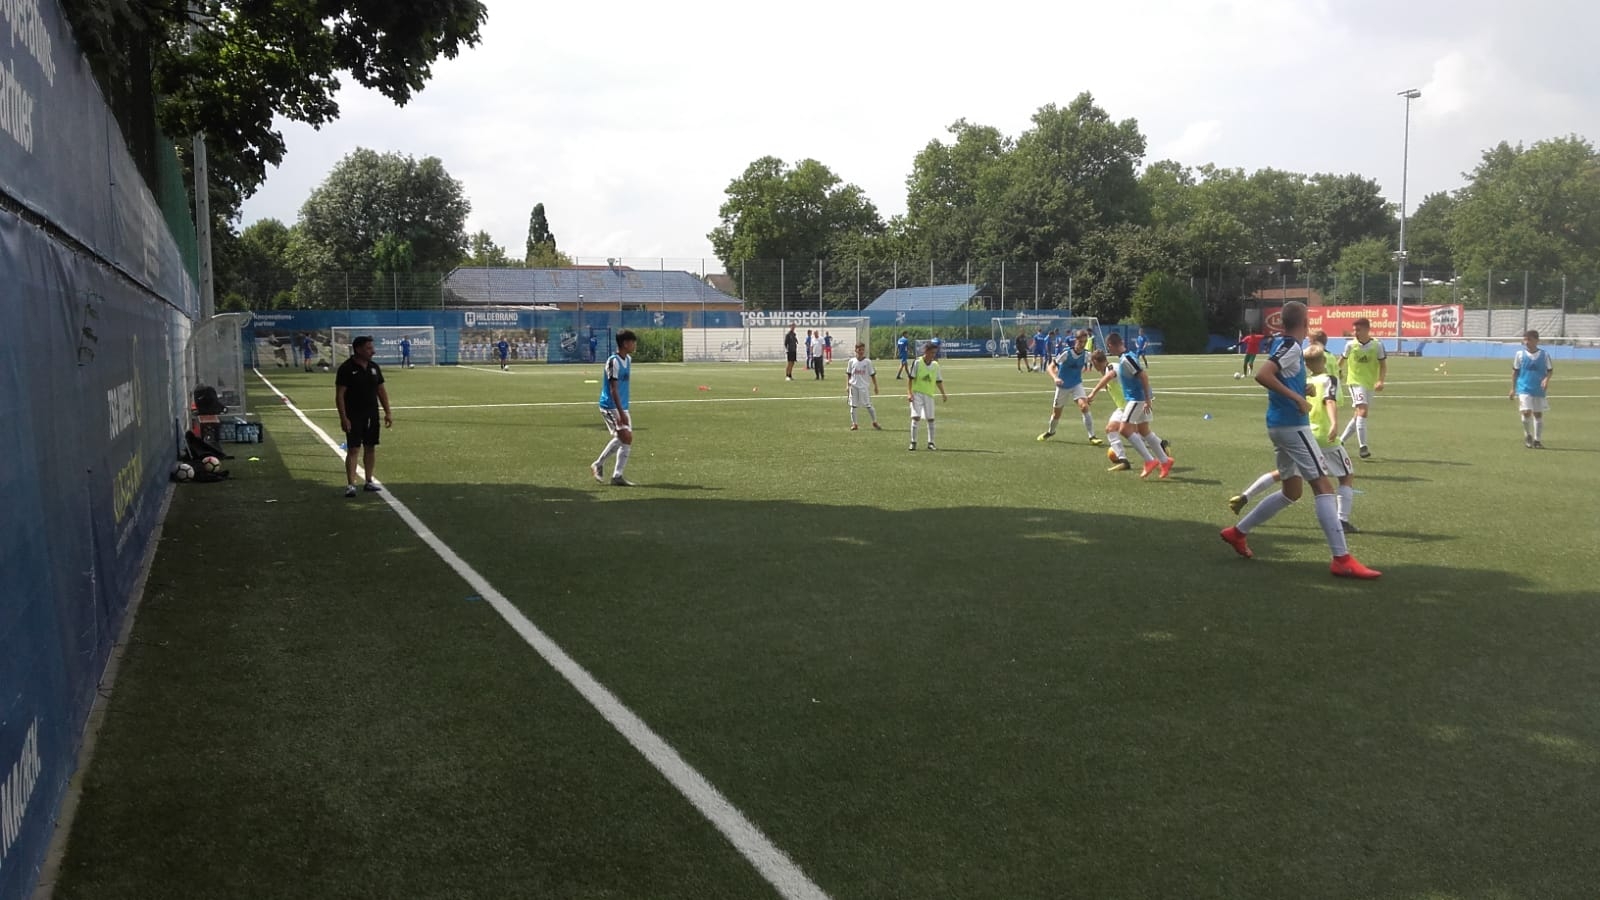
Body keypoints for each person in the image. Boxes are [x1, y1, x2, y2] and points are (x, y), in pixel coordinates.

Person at [1219, 302, 1380, 579]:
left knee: (1291, 492)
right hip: (1292, 425)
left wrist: (1299, 388)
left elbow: (1279, 375)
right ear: (1305, 323)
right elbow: (1263, 374)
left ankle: (1238, 532)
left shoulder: (1282, 343)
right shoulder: (1292, 346)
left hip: (1279, 424)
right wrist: (1296, 398)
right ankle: (1341, 559)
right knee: (1324, 486)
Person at [1087, 332, 1172, 479]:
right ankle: (1165, 460)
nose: (1109, 351)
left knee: (1124, 429)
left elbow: (1143, 375)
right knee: (1144, 431)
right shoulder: (1125, 358)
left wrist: (1147, 399)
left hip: (1136, 399)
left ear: (1111, 345)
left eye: (1109, 347)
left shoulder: (1125, 359)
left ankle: (1149, 460)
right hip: (1137, 399)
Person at [335, 336, 392, 498]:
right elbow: (340, 395)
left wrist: (387, 412)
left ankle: (368, 480)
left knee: (370, 446)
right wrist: (343, 417)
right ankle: (351, 485)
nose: (373, 351)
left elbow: (381, 390)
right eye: (369, 348)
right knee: (353, 448)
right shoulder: (346, 368)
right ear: (358, 349)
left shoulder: (374, 367)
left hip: (372, 414)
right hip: (354, 415)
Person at [590, 330, 639, 486]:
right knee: (625, 436)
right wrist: (620, 413)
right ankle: (600, 465)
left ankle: (616, 475)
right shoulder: (613, 362)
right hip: (610, 406)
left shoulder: (628, 360)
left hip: (623, 406)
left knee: (626, 439)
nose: (635, 345)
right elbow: (613, 389)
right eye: (633, 342)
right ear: (625, 343)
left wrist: (623, 410)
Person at [1038, 329, 1101, 445]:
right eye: (1081, 341)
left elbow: (1097, 364)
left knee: (1084, 406)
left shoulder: (1087, 354)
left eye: (1085, 342)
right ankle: (1051, 432)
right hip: (1063, 386)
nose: (1083, 344)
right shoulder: (1066, 353)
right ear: (1076, 340)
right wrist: (1055, 378)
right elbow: (1050, 367)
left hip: (1076, 384)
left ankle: (1092, 436)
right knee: (1056, 414)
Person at [1336, 317, 1387, 458]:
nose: (1355, 333)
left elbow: (1383, 365)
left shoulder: (1377, 345)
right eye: (1354, 330)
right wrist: (1336, 372)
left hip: (1369, 384)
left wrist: (1380, 381)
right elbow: (1341, 361)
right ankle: (1363, 447)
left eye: (1358, 330)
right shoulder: (1350, 345)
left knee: (1358, 415)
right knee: (1363, 411)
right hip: (1355, 382)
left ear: (1367, 329)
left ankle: (1340, 442)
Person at [1511, 329, 1553, 448]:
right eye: (1525, 339)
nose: (1526, 342)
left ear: (1536, 340)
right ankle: (1528, 435)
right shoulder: (1519, 354)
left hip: (1538, 389)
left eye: (1529, 339)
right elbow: (1515, 372)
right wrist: (1513, 389)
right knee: (1526, 412)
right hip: (1524, 388)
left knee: (1538, 414)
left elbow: (1550, 370)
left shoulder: (1544, 355)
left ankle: (1537, 440)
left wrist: (1546, 379)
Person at [906, 338, 948, 450]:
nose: (933, 355)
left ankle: (931, 443)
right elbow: (910, 379)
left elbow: (938, 381)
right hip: (917, 393)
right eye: (932, 352)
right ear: (926, 351)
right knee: (916, 417)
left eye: (935, 353)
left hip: (929, 394)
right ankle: (913, 442)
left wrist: (943, 394)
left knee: (931, 419)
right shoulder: (917, 362)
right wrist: (909, 393)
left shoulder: (935, 365)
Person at [846, 342, 881, 431]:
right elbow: (849, 374)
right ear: (856, 350)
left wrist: (876, 386)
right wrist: (847, 385)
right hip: (853, 386)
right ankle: (854, 424)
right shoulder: (851, 361)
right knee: (853, 406)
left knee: (868, 405)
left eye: (862, 350)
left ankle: (874, 421)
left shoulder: (867, 362)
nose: (861, 351)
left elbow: (872, 375)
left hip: (863, 387)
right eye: (859, 350)